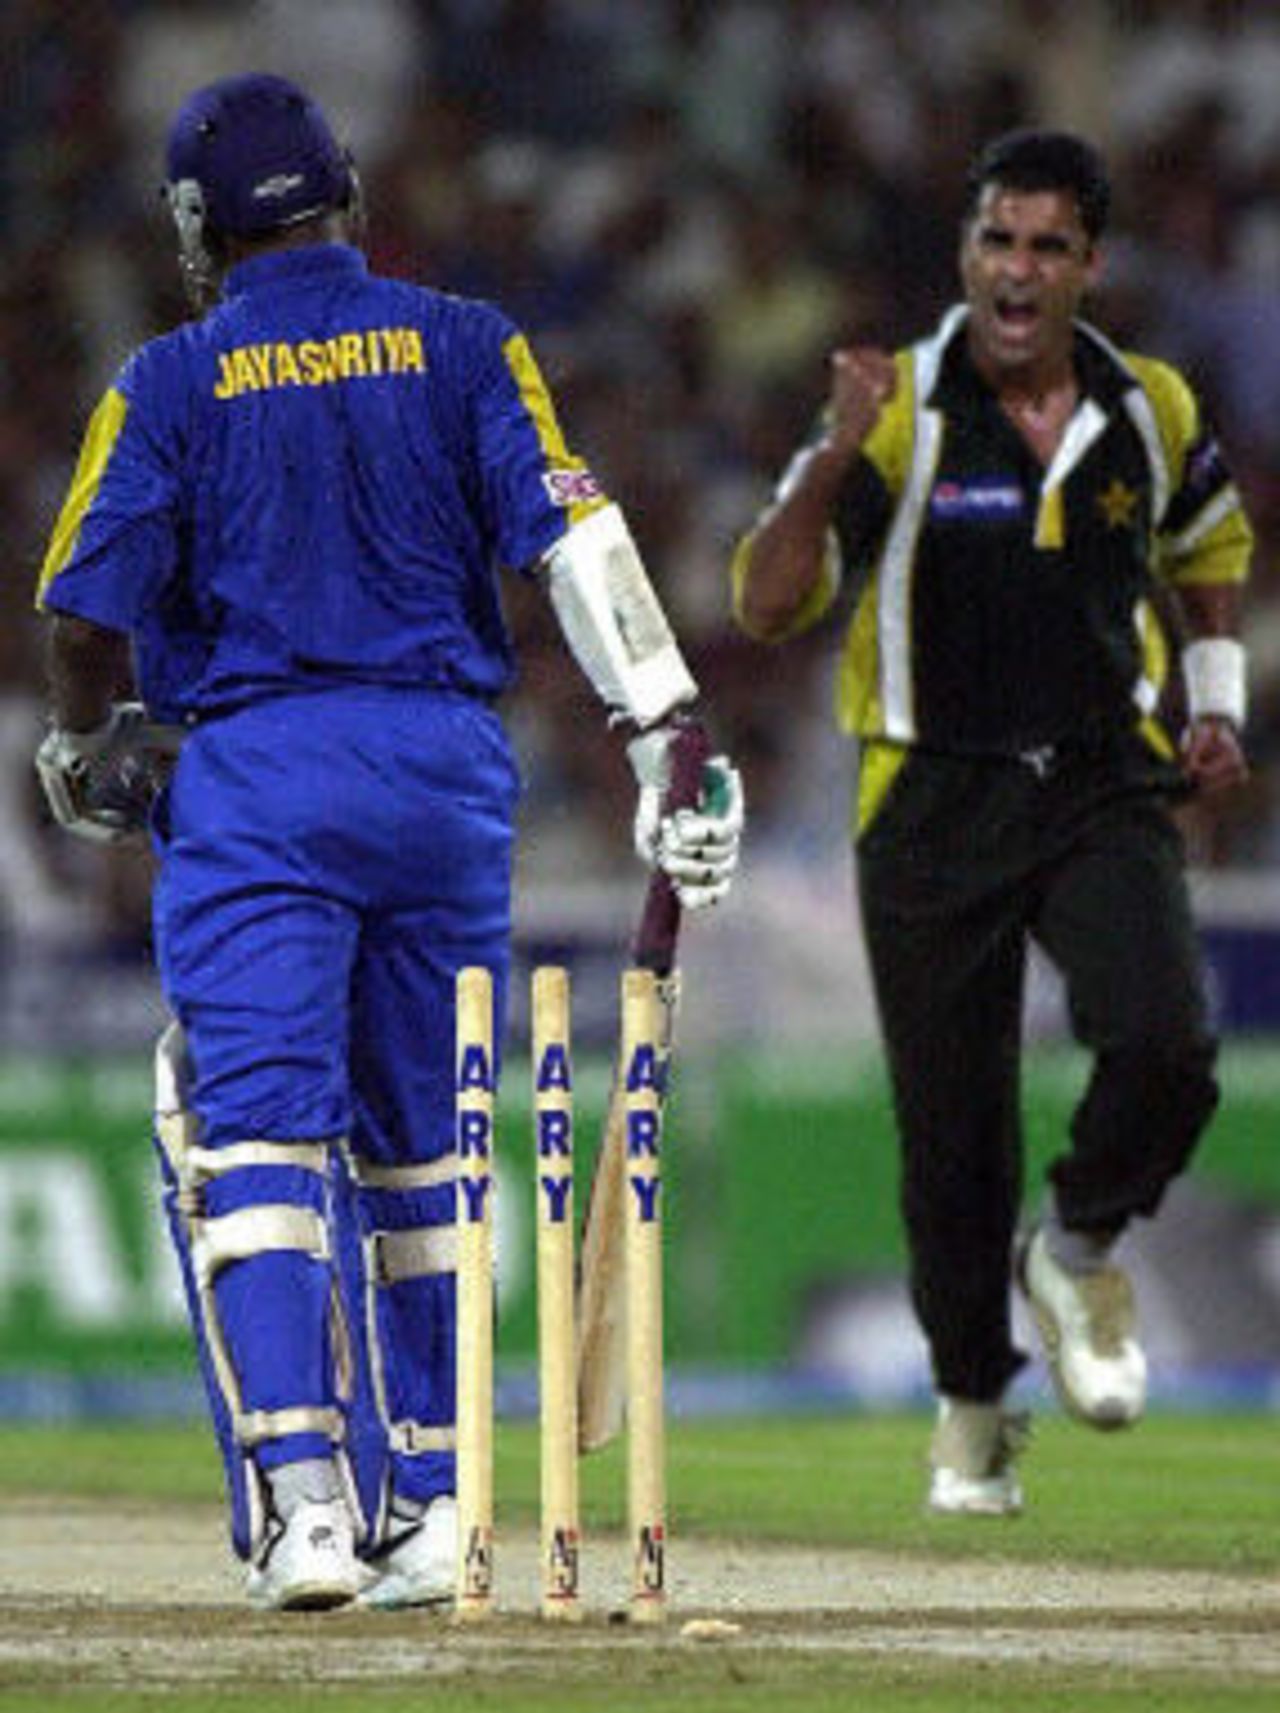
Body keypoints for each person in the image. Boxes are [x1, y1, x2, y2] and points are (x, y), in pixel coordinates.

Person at [33, 72, 743, 1610]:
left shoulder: (167, 377)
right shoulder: (468, 341)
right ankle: (434, 1500)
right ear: (347, 189)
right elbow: (577, 533)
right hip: (442, 773)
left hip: (261, 772)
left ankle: (304, 1504)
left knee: (262, 1140)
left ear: (196, 225)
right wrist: (665, 729)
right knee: (426, 1146)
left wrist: (86, 741)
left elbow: (85, 607)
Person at [731, 129, 1250, 1516]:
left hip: (1099, 774)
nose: (1017, 273)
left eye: (1047, 246)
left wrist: (1217, 699)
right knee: (955, 1136)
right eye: (996, 242)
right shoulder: (897, 404)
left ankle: (1077, 1248)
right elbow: (766, 602)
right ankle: (972, 1399)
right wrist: (832, 448)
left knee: (1165, 1040)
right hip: (932, 791)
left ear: (1090, 262)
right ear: (966, 253)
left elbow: (1209, 550)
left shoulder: (1149, 405)